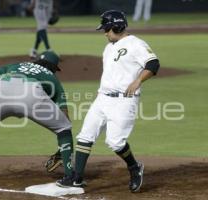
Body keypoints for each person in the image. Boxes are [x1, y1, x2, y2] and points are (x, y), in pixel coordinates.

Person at [55, 10, 160, 193]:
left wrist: (137, 81)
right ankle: (76, 178)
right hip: (102, 99)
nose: (104, 33)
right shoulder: (109, 47)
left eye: (107, 29)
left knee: (115, 142)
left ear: (117, 26)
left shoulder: (136, 44)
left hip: (124, 101)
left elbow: (153, 64)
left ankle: (134, 168)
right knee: (85, 135)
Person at [0, 51, 74, 184]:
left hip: (0, 91)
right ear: (53, 68)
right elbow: (64, 113)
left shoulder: (17, 65)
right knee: (64, 128)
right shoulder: (51, 77)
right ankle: (69, 176)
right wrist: (63, 149)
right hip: (30, 94)